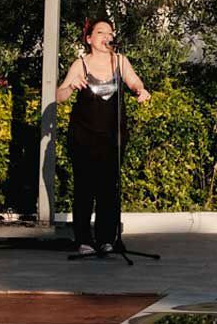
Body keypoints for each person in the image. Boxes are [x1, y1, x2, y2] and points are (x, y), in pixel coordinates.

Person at [56, 18, 150, 257]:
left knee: (109, 188)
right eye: (100, 32)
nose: (106, 36)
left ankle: (107, 239)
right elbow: (60, 95)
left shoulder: (120, 61)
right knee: (85, 188)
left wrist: (140, 90)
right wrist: (70, 86)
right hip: (84, 135)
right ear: (89, 38)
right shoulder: (80, 64)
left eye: (109, 32)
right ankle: (84, 240)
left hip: (112, 136)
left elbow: (133, 80)